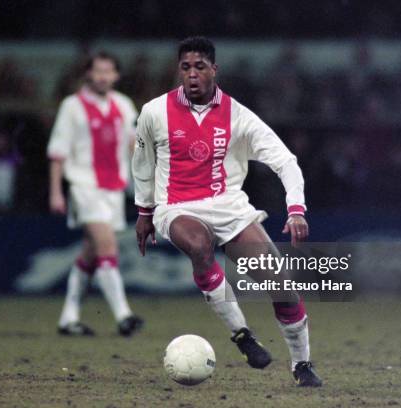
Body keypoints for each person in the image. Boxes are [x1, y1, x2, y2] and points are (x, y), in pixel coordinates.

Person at [132, 37, 322, 386]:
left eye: (200, 67)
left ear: (214, 70)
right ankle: (242, 335)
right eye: (186, 67)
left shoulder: (238, 116)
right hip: (176, 207)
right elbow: (142, 164)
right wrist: (144, 212)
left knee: (281, 286)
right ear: (179, 71)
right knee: (201, 248)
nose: (192, 74)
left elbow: (285, 161)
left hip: (230, 208)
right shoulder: (154, 112)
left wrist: (296, 209)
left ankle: (302, 365)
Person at [47, 52, 143, 337]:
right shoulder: (72, 106)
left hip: (113, 190)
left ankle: (68, 317)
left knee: (90, 254)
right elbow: (57, 153)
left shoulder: (124, 105)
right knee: (106, 245)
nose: (103, 76)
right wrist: (56, 192)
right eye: (98, 71)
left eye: (108, 71)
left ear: (116, 75)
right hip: (84, 186)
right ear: (88, 74)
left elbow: (132, 146)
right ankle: (124, 315)